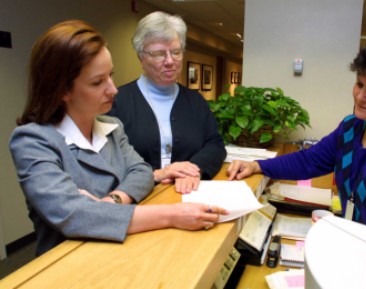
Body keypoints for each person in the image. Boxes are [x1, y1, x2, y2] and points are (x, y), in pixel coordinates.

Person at [9, 20, 227, 256]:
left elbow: (142, 173)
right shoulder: (32, 141)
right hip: (70, 261)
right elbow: (75, 215)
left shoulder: (111, 126)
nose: (113, 89)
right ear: (62, 89)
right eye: (97, 82)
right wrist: (172, 215)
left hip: (123, 249)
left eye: (110, 76)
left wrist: (111, 201)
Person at [227, 35, 366, 248]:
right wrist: (257, 165)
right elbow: (310, 161)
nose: (360, 96)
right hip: (362, 246)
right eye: (359, 84)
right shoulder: (353, 126)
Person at [108, 11, 226, 194]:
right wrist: (157, 174)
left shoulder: (195, 101)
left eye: (176, 52)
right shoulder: (117, 102)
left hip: (188, 194)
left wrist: (193, 169)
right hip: (136, 197)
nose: (170, 61)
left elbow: (215, 144)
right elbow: (107, 160)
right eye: (159, 54)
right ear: (141, 57)